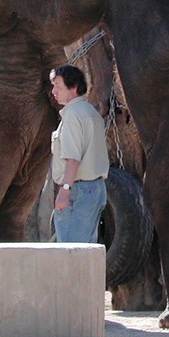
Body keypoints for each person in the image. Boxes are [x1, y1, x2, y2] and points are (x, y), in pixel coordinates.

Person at [48, 64, 110, 243]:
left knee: (70, 252)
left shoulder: (72, 116)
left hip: (77, 191)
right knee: (86, 252)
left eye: (58, 86)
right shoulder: (90, 112)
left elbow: (72, 159)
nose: (54, 91)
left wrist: (64, 191)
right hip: (95, 189)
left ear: (73, 87)